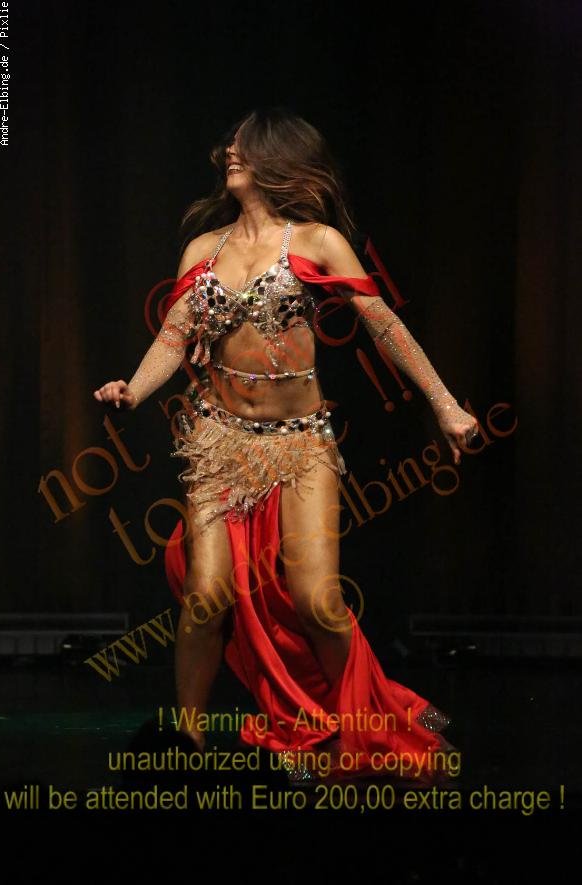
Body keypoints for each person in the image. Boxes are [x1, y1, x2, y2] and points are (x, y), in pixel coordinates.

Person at [93, 107, 478, 786]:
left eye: (247, 146)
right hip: (218, 443)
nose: (231, 152)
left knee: (318, 602)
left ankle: (363, 731)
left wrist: (445, 404)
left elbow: (382, 324)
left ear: (280, 158)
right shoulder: (203, 249)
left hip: (300, 448)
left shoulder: (318, 241)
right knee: (206, 597)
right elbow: (174, 337)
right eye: (231, 145)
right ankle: (185, 749)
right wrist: (133, 389)